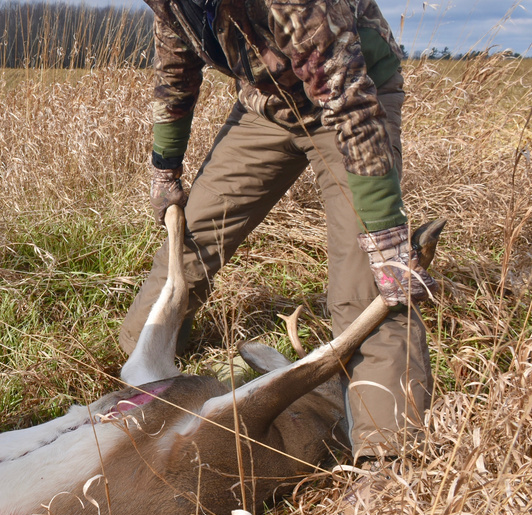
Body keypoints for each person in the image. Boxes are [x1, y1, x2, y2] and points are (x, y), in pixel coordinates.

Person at [121, 1, 438, 464]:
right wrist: (165, 167)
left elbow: (350, 103)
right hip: (267, 106)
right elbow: (176, 71)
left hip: (348, 104)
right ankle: (142, 387)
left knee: (367, 286)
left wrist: (385, 235)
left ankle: (387, 460)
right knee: (187, 247)